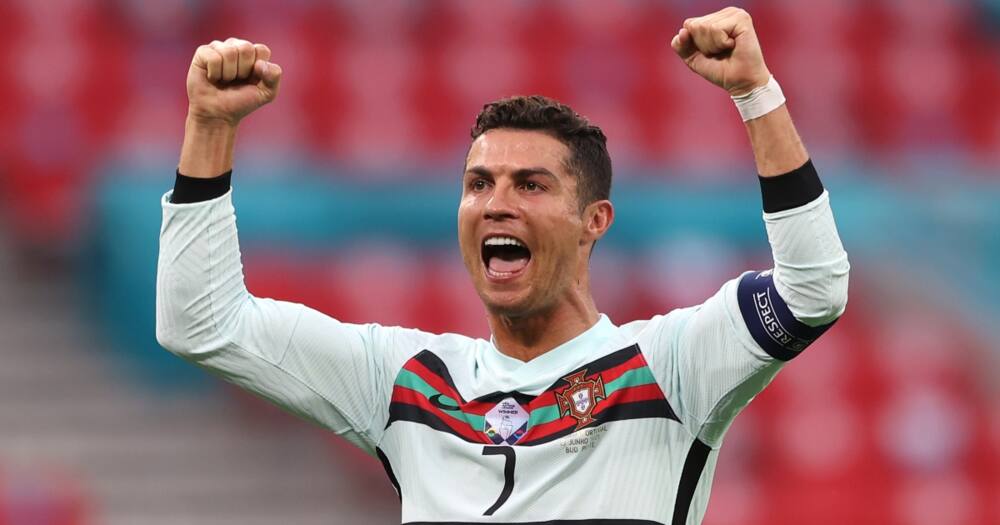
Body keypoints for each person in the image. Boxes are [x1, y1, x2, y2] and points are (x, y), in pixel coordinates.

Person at [156, 7, 849, 524]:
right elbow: (200, 324)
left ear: (594, 223)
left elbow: (814, 287)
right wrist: (210, 129)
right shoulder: (407, 383)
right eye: (479, 183)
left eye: (531, 185)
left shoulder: (670, 367)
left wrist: (756, 94)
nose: (496, 204)